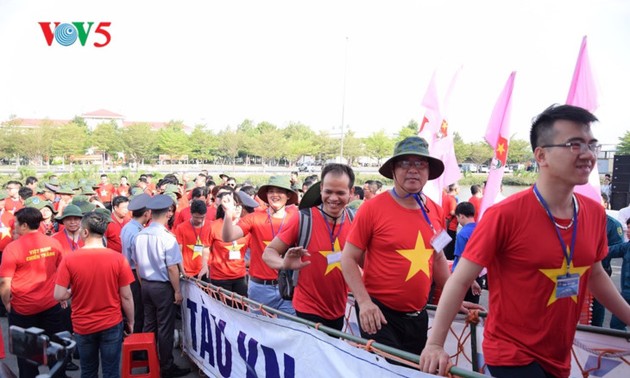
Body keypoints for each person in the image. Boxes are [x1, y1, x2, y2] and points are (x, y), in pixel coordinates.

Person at [419, 104, 630, 378]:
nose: (588, 155)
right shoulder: (504, 215)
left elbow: (596, 274)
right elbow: (459, 280)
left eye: (592, 145)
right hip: (512, 354)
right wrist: (435, 344)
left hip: (559, 354)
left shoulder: (593, 213)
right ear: (541, 155)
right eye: (574, 144)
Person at [341, 136, 477, 358]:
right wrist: (364, 302)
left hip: (418, 316)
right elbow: (348, 258)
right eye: (405, 163)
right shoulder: (372, 209)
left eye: (420, 164)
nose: (413, 170)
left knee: (411, 371)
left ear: (428, 171)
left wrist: (454, 297)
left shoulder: (434, 209)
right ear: (393, 169)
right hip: (379, 314)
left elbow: (439, 258)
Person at [263, 164, 355, 330]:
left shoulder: (355, 220)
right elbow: (269, 252)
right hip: (306, 308)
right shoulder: (303, 219)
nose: (333, 198)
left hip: (339, 309)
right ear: (321, 189)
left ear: (351, 193)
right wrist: (284, 264)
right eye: (328, 191)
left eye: (340, 193)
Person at [54, 212, 135, 378]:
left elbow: (58, 294)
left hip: (83, 325)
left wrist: (71, 291)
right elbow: (126, 296)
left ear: (85, 232)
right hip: (111, 322)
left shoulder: (70, 260)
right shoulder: (118, 259)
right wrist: (132, 321)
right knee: (111, 371)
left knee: (88, 370)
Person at [0, 207, 67, 377]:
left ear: (23, 225)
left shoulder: (13, 248)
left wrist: (7, 302)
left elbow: (4, 282)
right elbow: (62, 271)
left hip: (24, 309)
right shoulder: (53, 242)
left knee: (27, 355)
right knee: (55, 347)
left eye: (15, 223)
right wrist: (62, 295)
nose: (13, 226)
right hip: (51, 305)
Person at [131, 195, 190, 377]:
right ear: (168, 214)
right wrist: (177, 291)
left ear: (150, 213)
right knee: (165, 327)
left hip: (146, 284)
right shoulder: (167, 238)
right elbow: (172, 268)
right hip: (162, 287)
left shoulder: (140, 235)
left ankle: (149, 361)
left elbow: (138, 264)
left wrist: (144, 284)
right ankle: (166, 366)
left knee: (149, 325)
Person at [222, 176, 298, 314]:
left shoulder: (296, 217)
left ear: (288, 195)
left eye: (280, 191)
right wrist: (228, 213)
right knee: (258, 331)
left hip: (289, 286)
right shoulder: (254, 218)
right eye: (271, 191)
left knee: (289, 331)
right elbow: (228, 236)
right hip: (260, 289)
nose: (275, 195)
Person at [207, 187, 250, 297]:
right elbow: (206, 247)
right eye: (234, 205)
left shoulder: (246, 226)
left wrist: (245, 264)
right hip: (219, 278)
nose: (237, 209)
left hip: (240, 277)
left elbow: (256, 250)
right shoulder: (214, 226)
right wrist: (205, 266)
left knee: (241, 309)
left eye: (239, 205)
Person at [121, 193, 151, 334]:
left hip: (128, 272)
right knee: (139, 312)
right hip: (135, 274)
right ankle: (138, 344)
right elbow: (138, 261)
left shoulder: (127, 227)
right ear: (146, 213)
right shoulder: (138, 233)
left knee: (135, 310)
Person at [452, 202, 482, 304]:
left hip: (464, 278)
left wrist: (471, 281)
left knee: (461, 308)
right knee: (474, 309)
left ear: (461, 216)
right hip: (478, 274)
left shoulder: (462, 234)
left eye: (457, 218)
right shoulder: (481, 229)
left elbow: (461, 259)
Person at [173, 199, 212, 278]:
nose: (199, 220)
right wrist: (182, 270)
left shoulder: (211, 225)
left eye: (202, 217)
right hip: (188, 272)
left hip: (207, 269)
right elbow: (179, 251)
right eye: (196, 217)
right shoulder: (181, 228)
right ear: (191, 213)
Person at [442, 183, 459, 260]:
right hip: (451, 225)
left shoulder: (444, 197)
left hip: (445, 224)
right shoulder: (452, 199)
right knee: (450, 247)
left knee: (445, 245)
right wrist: (460, 212)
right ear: (455, 189)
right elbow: (452, 212)